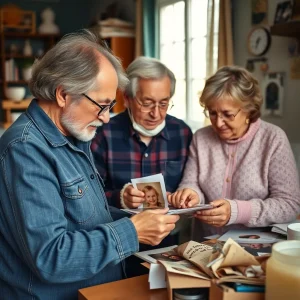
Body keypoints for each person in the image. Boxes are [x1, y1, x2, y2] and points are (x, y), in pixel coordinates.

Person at [0, 29, 180, 300]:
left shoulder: (73, 136)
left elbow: (82, 218)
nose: (107, 118)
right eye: (102, 105)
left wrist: (139, 220)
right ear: (63, 94)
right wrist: (133, 231)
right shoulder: (26, 150)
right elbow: (51, 257)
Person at [168, 65, 300, 242]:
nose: (218, 123)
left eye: (227, 114)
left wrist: (237, 212)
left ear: (248, 109)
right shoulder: (201, 137)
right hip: (207, 244)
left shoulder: (273, 139)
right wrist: (190, 193)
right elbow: (192, 182)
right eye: (212, 113)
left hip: (258, 248)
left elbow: (290, 204)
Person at [91, 56, 193, 210]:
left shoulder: (182, 133)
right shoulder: (103, 134)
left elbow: (190, 183)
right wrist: (120, 197)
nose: (156, 114)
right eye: (147, 104)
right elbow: (89, 194)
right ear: (127, 98)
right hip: (120, 230)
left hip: (169, 231)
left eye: (164, 104)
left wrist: (183, 196)